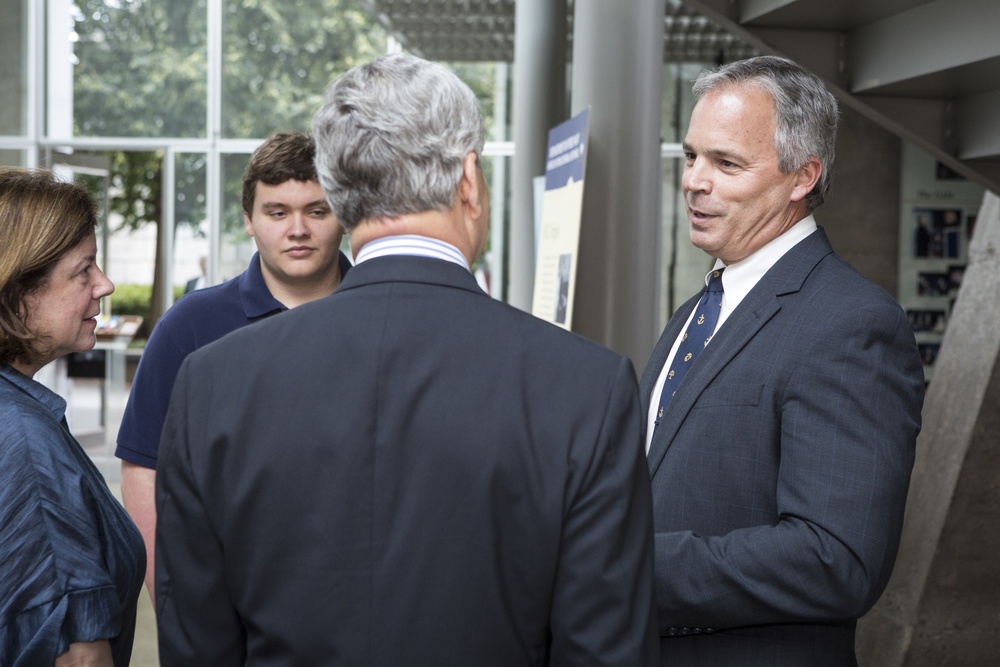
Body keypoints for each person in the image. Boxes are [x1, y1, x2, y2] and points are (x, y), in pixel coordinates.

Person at [155, 53, 657, 666]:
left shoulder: (211, 381)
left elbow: (197, 639)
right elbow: (604, 649)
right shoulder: (586, 386)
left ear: (337, 196)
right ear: (469, 181)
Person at [639, 56, 925, 665]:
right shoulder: (697, 309)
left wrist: (623, 565)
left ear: (803, 177)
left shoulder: (851, 324)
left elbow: (836, 559)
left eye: (726, 163)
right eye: (692, 157)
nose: (694, 181)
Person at [116, 131, 351, 602]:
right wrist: (173, 601)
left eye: (317, 211)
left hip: (359, 597)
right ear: (249, 220)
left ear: (343, 215)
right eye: (278, 212)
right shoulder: (190, 326)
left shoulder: (381, 314)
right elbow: (145, 467)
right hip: (229, 601)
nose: (298, 229)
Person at [0, 167, 145, 666]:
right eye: (84, 270)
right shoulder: (24, 445)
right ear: (17, 294)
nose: (104, 285)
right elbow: (77, 656)